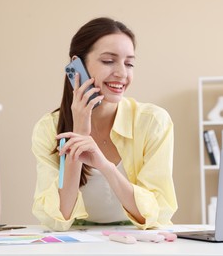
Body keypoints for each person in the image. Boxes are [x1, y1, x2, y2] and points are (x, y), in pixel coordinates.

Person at [32, 17, 177, 231]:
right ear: (76, 66)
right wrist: (80, 131)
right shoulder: (49, 128)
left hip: (137, 238)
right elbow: (58, 219)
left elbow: (155, 214)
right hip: (76, 239)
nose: (122, 73)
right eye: (109, 61)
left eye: (129, 63)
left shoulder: (153, 122)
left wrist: (105, 167)